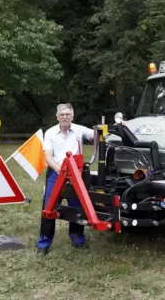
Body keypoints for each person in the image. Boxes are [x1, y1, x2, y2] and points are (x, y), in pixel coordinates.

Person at [37, 103, 95, 255]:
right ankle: (43, 244)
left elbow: (96, 135)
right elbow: (48, 157)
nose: (65, 117)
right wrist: (59, 169)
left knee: (77, 207)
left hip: (76, 174)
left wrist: (108, 128)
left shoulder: (79, 130)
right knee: (48, 207)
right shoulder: (50, 133)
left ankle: (77, 238)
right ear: (57, 117)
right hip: (56, 172)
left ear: (72, 116)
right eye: (62, 115)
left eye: (68, 114)